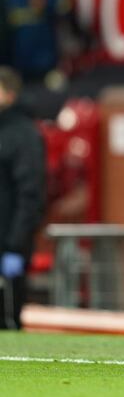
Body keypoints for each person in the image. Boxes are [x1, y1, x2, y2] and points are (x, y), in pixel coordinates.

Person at [0, 67, 47, 330]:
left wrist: (15, 247)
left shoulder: (23, 134)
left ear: (9, 94)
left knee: (5, 326)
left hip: (6, 247)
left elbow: (31, 193)